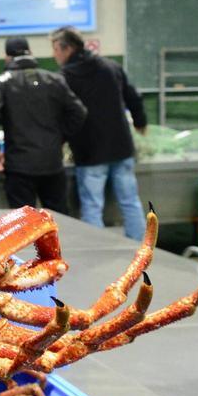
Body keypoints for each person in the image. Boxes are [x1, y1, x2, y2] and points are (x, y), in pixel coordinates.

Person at [50, 26, 148, 240]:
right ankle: (141, 247)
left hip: (89, 151)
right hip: (121, 147)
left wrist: (59, 140)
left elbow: (63, 114)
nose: (54, 55)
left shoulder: (65, 77)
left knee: (92, 205)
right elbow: (133, 97)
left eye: (55, 49)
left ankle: (97, 248)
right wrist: (140, 122)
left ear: (67, 49)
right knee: (130, 201)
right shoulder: (111, 67)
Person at [0, 36, 87, 213]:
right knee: (57, 218)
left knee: (23, 220)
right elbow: (79, 112)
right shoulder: (54, 79)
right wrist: (60, 138)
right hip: (52, 162)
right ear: (31, 53)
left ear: (7, 57)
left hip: (19, 165)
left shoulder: (2, 83)